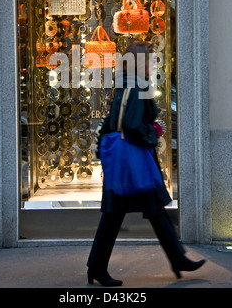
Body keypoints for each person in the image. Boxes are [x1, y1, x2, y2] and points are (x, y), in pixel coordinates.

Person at [86, 41, 205, 286]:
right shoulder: (138, 85)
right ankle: (177, 259)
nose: (154, 63)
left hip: (125, 165)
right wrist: (151, 133)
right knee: (141, 213)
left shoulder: (125, 82)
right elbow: (129, 125)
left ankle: (176, 259)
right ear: (141, 63)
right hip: (135, 165)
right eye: (151, 59)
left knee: (134, 214)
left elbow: (113, 120)